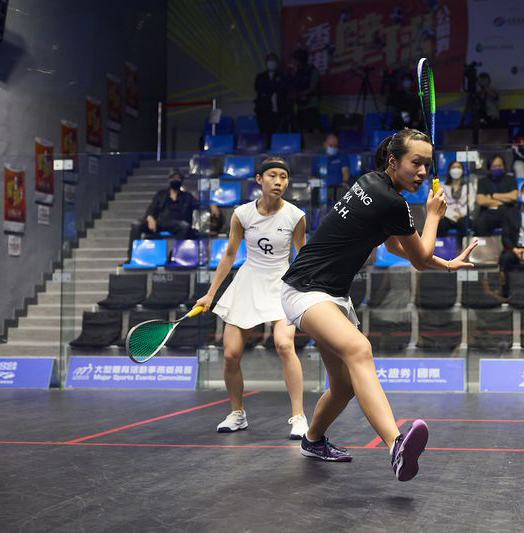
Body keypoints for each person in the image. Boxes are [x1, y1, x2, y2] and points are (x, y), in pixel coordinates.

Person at [280, 129, 477, 480]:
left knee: (344, 386)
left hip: (332, 294)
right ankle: (396, 445)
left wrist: (446, 264)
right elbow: (419, 258)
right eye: (416, 162)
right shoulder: (391, 202)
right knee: (359, 349)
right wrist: (433, 214)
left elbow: (395, 246)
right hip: (305, 290)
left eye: (427, 164)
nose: (422, 171)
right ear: (393, 161)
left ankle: (313, 440)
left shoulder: (371, 184)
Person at [195, 157, 309, 439]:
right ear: (259, 179)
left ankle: (299, 417)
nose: (279, 182)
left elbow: (302, 256)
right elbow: (230, 255)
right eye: (272, 175)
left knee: (284, 344)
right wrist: (210, 294)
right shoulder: (242, 214)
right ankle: (237, 413)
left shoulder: (295, 215)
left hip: (281, 284)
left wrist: (305, 290)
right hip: (248, 282)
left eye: (283, 176)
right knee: (230, 353)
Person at [129, 169, 201, 252]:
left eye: (178, 178)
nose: (175, 180)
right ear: (169, 179)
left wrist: (211, 205)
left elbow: (200, 205)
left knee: (184, 226)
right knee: (136, 224)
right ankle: (132, 255)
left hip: (177, 224)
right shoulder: (161, 194)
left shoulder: (187, 197)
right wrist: (150, 218)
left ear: (181, 180)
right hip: (160, 223)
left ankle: (174, 254)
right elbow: (152, 208)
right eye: (173, 178)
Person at [474, 155, 517, 235]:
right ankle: (486, 243)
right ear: (489, 167)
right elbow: (480, 200)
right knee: (479, 223)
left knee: (512, 221)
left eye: (499, 166)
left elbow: (513, 197)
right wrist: (503, 201)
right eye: (494, 166)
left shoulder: (510, 179)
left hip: (506, 212)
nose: (497, 168)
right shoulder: (483, 181)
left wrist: (493, 196)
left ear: (504, 166)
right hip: (488, 213)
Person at [254, 53, 290, 138]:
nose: (271, 62)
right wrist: (273, 86)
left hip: (279, 111)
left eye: (274, 60)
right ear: (266, 62)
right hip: (264, 111)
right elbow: (259, 88)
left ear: (277, 63)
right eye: (270, 60)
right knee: (265, 135)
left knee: (279, 135)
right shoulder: (260, 76)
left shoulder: (283, 76)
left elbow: (283, 89)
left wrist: (272, 86)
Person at [289, 49, 320, 132]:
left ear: (299, 60)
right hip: (300, 106)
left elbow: (313, 88)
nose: (293, 62)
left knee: (314, 130)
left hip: (311, 105)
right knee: (302, 130)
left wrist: (298, 94)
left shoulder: (313, 70)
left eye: (294, 60)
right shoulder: (296, 72)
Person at [437, 161, 469, 242]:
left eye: (458, 167)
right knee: (441, 223)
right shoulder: (442, 186)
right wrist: (452, 215)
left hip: (463, 216)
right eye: (453, 167)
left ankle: (463, 247)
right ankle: (443, 247)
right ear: (449, 171)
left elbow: (470, 204)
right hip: (447, 216)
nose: (456, 170)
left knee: (463, 223)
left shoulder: (468, 186)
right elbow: (441, 204)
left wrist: (460, 215)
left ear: (462, 171)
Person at [320, 133, 351, 208]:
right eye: (331, 145)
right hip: (323, 187)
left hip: (339, 188)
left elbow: (345, 171)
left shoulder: (342, 156)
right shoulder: (319, 158)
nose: (333, 148)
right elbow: (313, 175)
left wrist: (345, 182)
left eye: (335, 146)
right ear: (325, 145)